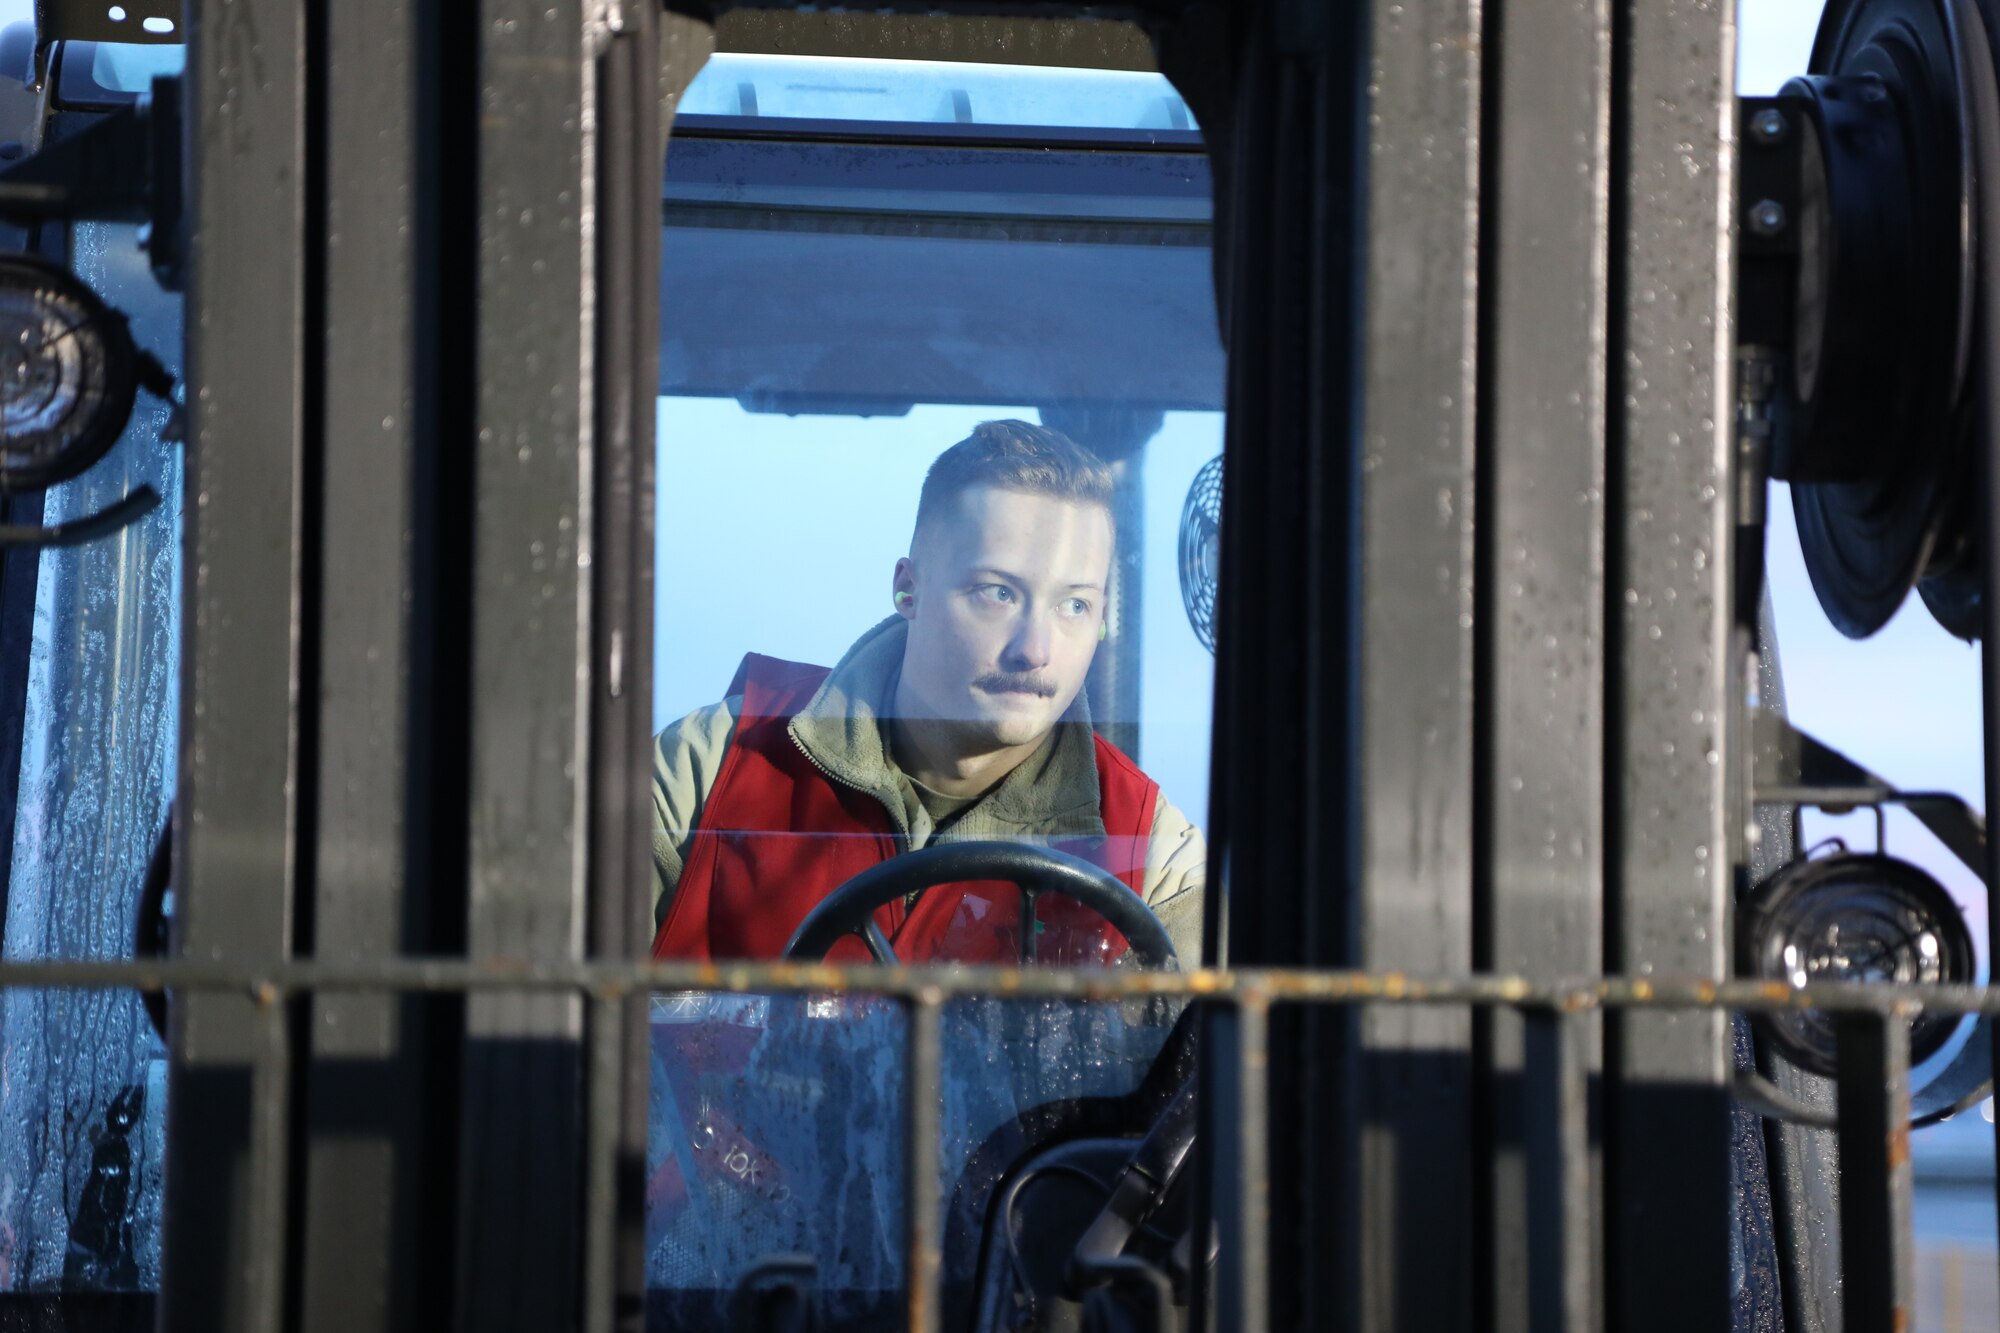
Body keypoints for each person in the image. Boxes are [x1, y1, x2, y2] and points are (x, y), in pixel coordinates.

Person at [649, 419, 1206, 965]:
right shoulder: (707, 767)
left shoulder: (1156, 858)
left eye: (1075, 604)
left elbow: (1222, 1050)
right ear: (907, 588)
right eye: (998, 593)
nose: (1034, 650)